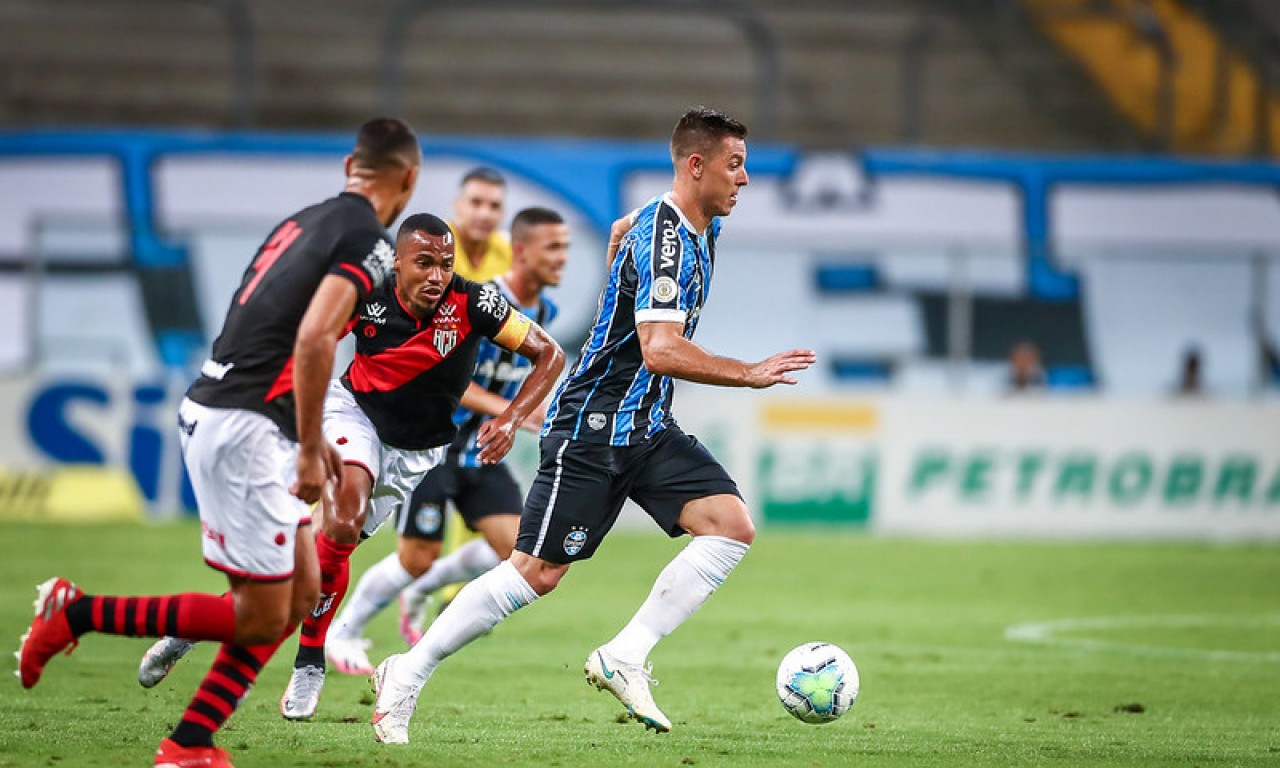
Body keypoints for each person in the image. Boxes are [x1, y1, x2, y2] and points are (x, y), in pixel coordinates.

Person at [368, 106, 817, 745]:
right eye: (734, 165)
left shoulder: (694, 224)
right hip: (592, 426)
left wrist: (618, 256)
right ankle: (406, 674)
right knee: (535, 573)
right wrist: (749, 372)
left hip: (645, 423)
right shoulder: (668, 241)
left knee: (730, 525)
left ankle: (625, 655)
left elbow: (620, 230)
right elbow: (660, 348)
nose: (744, 180)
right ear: (696, 166)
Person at [16, 117, 421, 768]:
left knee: (299, 590)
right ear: (409, 179)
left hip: (234, 408)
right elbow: (317, 337)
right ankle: (78, 613)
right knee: (261, 615)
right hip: (245, 425)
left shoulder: (304, 221)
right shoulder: (367, 240)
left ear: (351, 164)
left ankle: (192, 743)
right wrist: (312, 441)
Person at [137, 212, 565, 724]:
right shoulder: (368, 294)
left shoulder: (476, 301)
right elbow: (310, 344)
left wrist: (514, 417)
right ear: (399, 261)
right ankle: (311, 658)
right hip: (352, 414)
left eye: (445, 265)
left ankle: (199, 626)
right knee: (342, 517)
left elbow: (549, 354)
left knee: (309, 564)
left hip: (416, 453)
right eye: (424, 263)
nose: (436, 275)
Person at [330, 205, 569, 668]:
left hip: (482, 447)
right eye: (554, 247)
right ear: (521, 251)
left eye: (565, 248)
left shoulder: (542, 312)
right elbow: (458, 380)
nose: (563, 258)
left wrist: (514, 416)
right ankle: (346, 629)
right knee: (409, 553)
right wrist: (510, 412)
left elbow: (544, 358)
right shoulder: (482, 300)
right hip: (437, 441)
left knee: (518, 548)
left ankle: (423, 586)